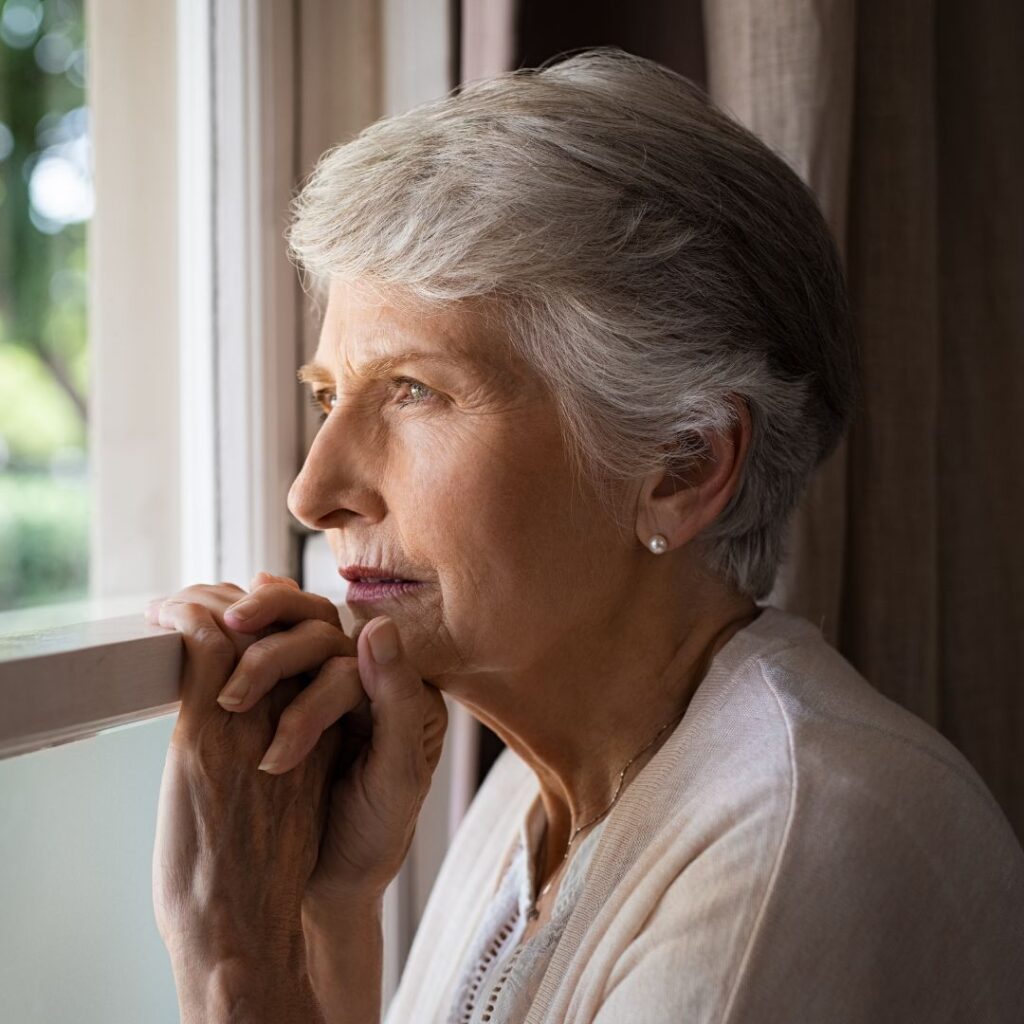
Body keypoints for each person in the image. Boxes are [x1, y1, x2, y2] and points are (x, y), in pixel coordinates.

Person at [144, 48, 1024, 1024]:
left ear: (682, 465)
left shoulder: (804, 838)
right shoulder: (528, 798)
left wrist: (236, 963)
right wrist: (329, 911)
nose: (314, 492)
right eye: (327, 397)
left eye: (414, 391)